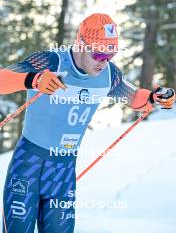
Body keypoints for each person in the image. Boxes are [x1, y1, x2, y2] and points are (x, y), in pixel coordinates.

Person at [0, 13, 175, 233]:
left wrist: (154, 97)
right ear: (81, 44)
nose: (104, 62)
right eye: (98, 54)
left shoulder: (109, 75)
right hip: (29, 163)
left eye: (110, 55)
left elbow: (134, 98)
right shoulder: (51, 61)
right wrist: (33, 80)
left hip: (62, 170)